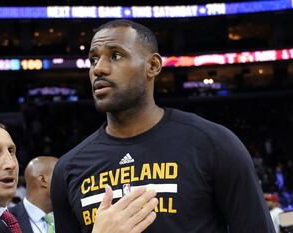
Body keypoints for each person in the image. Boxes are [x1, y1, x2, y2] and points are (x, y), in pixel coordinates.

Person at [51, 19, 275, 233]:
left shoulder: (214, 144)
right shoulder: (68, 168)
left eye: (116, 55)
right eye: (93, 60)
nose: (98, 69)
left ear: (153, 65)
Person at [10, 156, 58, 233]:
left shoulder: (72, 217)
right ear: (43, 180)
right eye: (60, 175)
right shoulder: (4, 221)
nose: (66, 181)